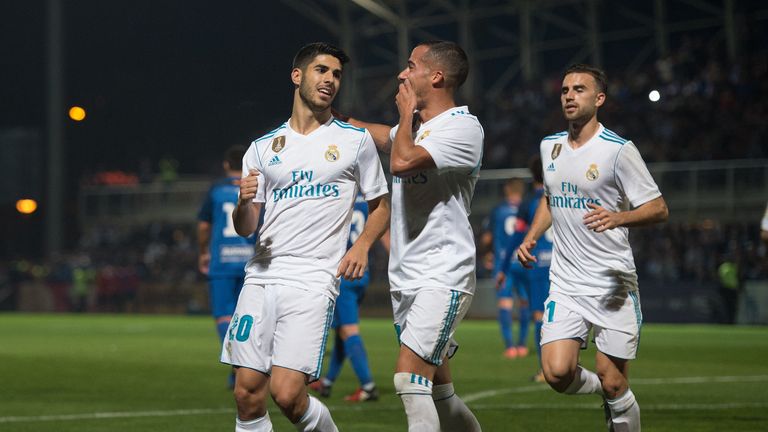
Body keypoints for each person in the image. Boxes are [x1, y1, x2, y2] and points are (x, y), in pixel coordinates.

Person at [223, 42, 390, 432]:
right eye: (321, 71)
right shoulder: (262, 149)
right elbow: (246, 225)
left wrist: (362, 246)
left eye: (336, 74)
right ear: (297, 76)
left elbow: (382, 204)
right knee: (246, 393)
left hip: (314, 278)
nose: (330, 80)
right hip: (261, 276)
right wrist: (243, 202)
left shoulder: (354, 141)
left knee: (287, 393)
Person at [516, 64, 668, 432]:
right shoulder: (549, 146)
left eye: (579, 89)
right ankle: (610, 394)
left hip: (611, 285)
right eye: (565, 89)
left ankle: (615, 398)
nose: (569, 95)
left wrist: (619, 218)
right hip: (566, 283)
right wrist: (532, 235)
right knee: (556, 372)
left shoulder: (618, 150)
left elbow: (659, 208)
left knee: (615, 380)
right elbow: (550, 198)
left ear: (598, 99)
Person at [345, 40, 483, 432]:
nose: (402, 74)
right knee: (441, 395)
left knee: (408, 379)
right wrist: (335, 120)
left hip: (443, 273)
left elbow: (402, 160)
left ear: (436, 76)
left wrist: (405, 114)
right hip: (406, 277)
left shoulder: (463, 127)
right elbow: (382, 138)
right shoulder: (419, 127)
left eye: (411, 66)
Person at [309, 193, 382, 402]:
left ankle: (368, 386)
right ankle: (327, 382)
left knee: (349, 330)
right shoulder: (364, 200)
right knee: (341, 330)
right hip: (361, 271)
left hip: (343, 272)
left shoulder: (337, 195)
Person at [197, 145, 258, 388]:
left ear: (225, 165)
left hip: (222, 261)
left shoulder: (216, 190)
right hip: (250, 261)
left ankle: (237, 365)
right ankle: (246, 365)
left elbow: (204, 226)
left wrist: (203, 252)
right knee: (249, 317)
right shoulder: (252, 188)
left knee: (224, 315)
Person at [485, 178, 532, 359]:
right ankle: (522, 345)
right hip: (523, 260)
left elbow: (488, 238)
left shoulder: (498, 210)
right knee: (525, 302)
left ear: (507, 189)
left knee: (505, 302)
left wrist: (487, 252)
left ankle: (510, 347)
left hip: (503, 263)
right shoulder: (528, 209)